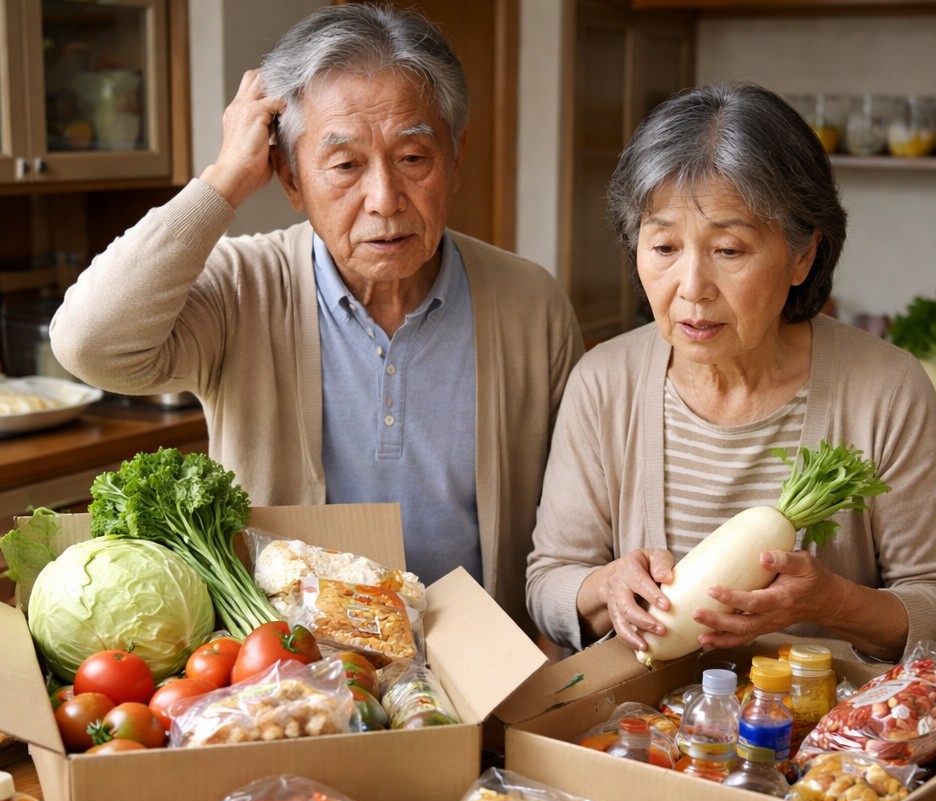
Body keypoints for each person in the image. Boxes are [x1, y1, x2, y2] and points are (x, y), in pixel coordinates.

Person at [49, 3, 583, 637]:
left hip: (486, 668)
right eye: (345, 165)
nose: (384, 199)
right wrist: (223, 182)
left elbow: (571, 523)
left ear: (456, 156)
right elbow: (89, 344)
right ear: (290, 177)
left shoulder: (529, 302)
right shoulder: (243, 287)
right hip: (293, 673)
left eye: (414, 157)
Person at [526, 81, 936, 664]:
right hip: (641, 736)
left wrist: (831, 601)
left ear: (802, 255)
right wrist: (605, 588)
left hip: (826, 743)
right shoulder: (603, 382)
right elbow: (548, 583)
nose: (691, 288)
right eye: (663, 247)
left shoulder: (885, 391)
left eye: (729, 250)